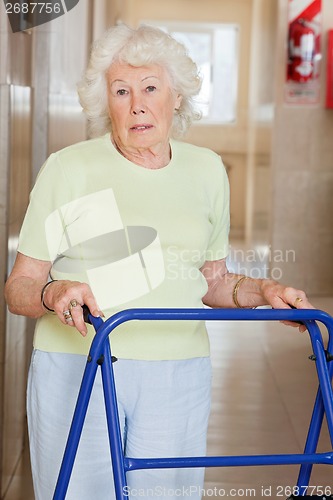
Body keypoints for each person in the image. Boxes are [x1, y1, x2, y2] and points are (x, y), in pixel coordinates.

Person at [4, 24, 313, 500]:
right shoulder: (68, 169)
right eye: (121, 91)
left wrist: (264, 292)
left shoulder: (207, 169)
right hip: (79, 361)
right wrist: (53, 292)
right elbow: (19, 286)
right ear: (104, 102)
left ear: (177, 97)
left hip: (178, 369)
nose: (137, 105)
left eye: (150, 88)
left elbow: (213, 282)